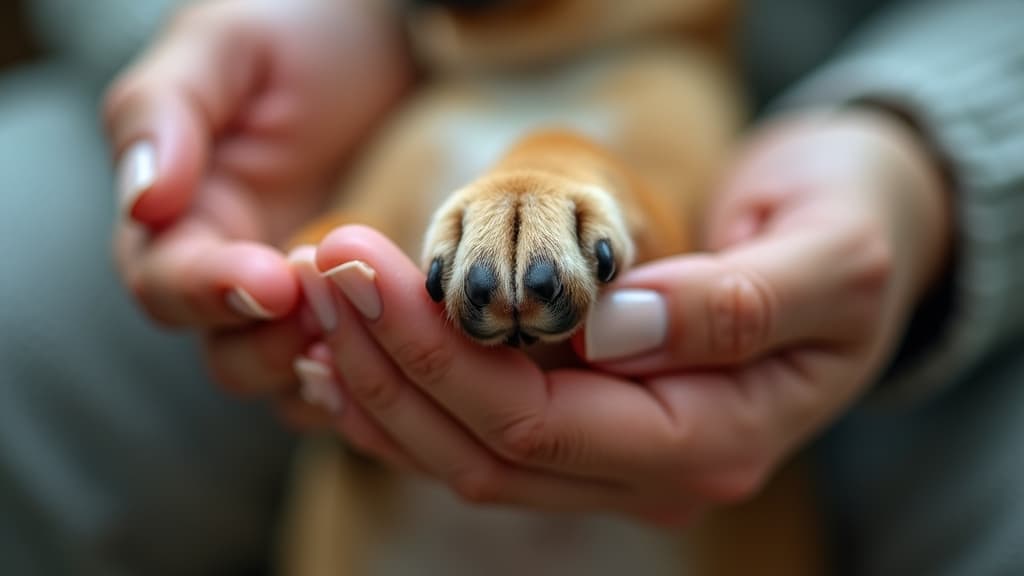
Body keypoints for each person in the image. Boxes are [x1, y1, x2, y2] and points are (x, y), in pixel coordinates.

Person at [3, 0, 1022, 574]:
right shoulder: (430, 88)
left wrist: (922, 160)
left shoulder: (677, 79)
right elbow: (331, 260)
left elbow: (658, 224)